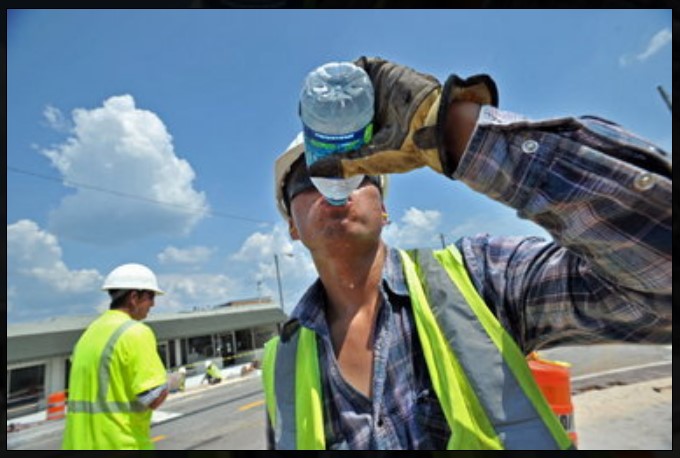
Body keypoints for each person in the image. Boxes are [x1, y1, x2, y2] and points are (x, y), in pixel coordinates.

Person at [262, 56, 672, 450]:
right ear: (293, 228)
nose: (337, 184)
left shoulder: (481, 279)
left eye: (356, 170)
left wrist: (456, 133)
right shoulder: (282, 363)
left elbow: (659, 287)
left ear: (385, 209)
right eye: (310, 178)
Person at [62, 263, 169, 450]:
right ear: (134, 297)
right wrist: (173, 381)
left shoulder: (89, 334)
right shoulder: (135, 333)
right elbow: (153, 398)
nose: (153, 304)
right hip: (120, 444)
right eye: (150, 296)